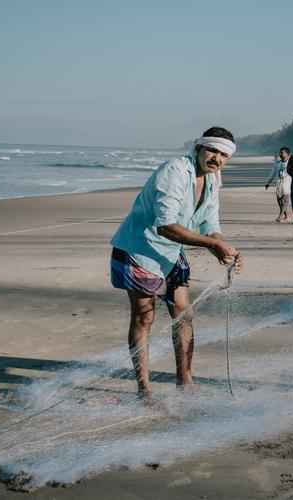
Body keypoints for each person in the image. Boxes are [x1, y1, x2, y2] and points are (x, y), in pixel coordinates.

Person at [110, 126, 243, 400]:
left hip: (172, 251)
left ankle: (185, 380)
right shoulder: (175, 171)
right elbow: (165, 226)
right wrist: (211, 244)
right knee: (144, 316)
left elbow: (209, 221)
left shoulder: (213, 178)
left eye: (223, 155)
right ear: (199, 149)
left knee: (184, 313)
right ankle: (144, 388)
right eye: (212, 151)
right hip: (140, 248)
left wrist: (224, 247)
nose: (216, 158)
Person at [265, 147, 292, 222]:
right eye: (280, 152)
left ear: (288, 154)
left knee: (286, 201)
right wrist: (268, 183)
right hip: (279, 184)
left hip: (288, 184)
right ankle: (285, 215)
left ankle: (280, 215)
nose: (281, 154)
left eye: (282, 153)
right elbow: (272, 174)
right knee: (279, 201)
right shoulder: (277, 164)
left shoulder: (291, 163)